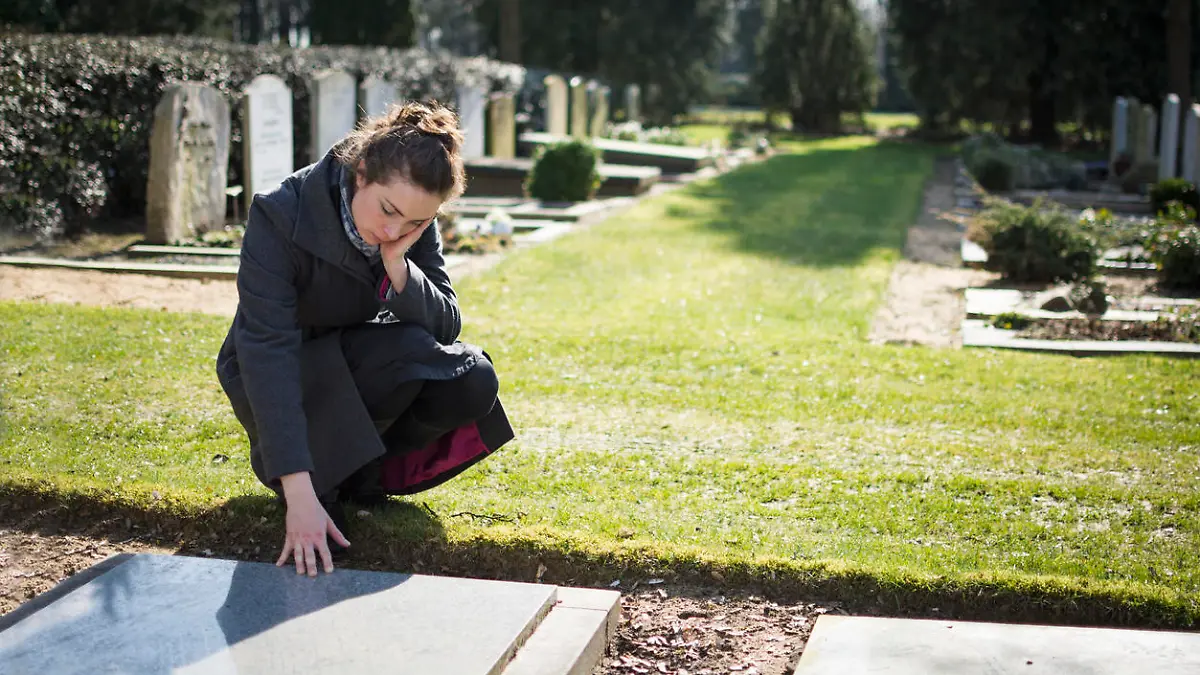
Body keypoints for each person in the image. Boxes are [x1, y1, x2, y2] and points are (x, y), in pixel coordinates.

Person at [215, 100, 514, 578]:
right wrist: (299, 493)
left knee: (472, 377)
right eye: (388, 211)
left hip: (363, 362)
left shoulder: (412, 218)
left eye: (415, 223)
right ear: (360, 173)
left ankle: (361, 477)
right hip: (284, 375)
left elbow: (446, 323)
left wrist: (398, 265)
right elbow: (268, 354)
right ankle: (319, 482)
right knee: (398, 357)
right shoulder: (278, 214)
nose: (394, 229)